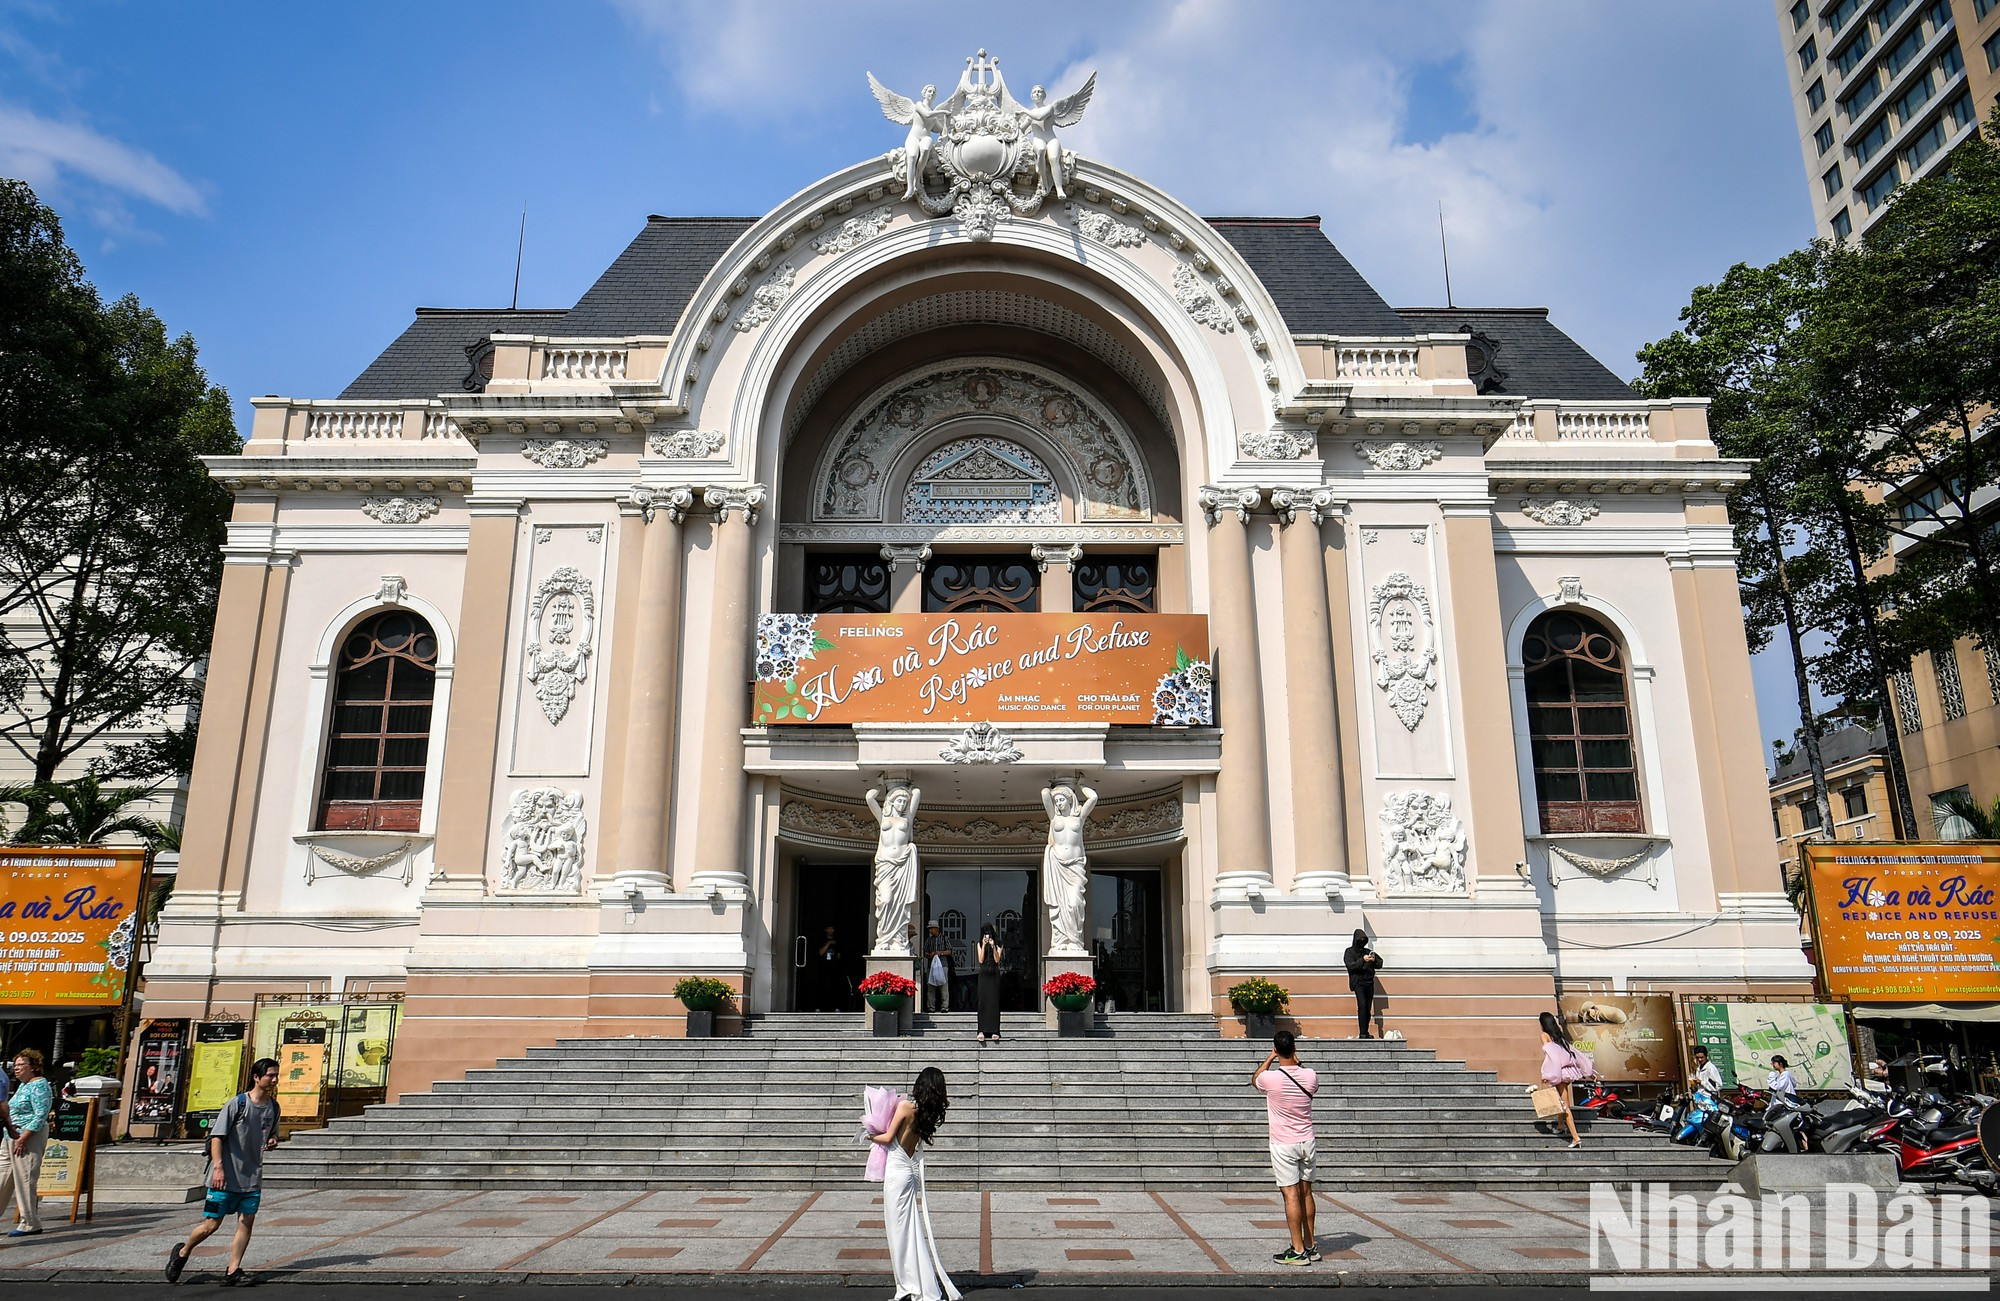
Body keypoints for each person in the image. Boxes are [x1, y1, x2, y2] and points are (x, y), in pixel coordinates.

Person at [166, 1057, 281, 1286]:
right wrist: (218, 1168)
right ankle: (183, 1251)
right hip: (224, 1176)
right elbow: (217, 1137)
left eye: (277, 1075)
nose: (275, 1079)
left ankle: (233, 1270)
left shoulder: (273, 1107)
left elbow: (272, 1133)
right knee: (211, 1224)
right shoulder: (237, 1104)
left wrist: (273, 1140)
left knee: (246, 1221)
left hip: (251, 1176)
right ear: (256, 1078)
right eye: (270, 1075)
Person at [866, 1067, 960, 1301]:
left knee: (898, 1232)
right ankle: (915, 1282)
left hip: (897, 1174)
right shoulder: (924, 1113)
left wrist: (868, 1135)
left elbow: (887, 1139)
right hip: (909, 1172)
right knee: (910, 1229)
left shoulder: (905, 1107)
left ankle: (908, 1285)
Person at [1250, 1031, 1319, 1267]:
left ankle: (1298, 1250)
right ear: (1295, 1048)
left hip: (1284, 1144)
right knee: (1306, 1193)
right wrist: (1295, 1060)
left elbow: (1254, 1079)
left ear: (1276, 1049)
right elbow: (1309, 1082)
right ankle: (1310, 1245)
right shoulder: (1310, 1075)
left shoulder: (1271, 1079)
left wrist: (1269, 1059)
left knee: (1290, 1195)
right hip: (1307, 1141)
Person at [6, 1049, 51, 1237]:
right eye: (14, 1065)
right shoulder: (22, 1085)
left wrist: (24, 1137)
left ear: (33, 1066)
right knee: (3, 1177)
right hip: (11, 1135)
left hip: (28, 1136)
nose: (16, 1069)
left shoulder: (39, 1085)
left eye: (20, 1065)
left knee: (25, 1178)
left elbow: (41, 1113)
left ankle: (30, 1222)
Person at [1538, 1011, 1588, 1150]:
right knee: (1561, 1098)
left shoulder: (1545, 1036)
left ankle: (1575, 1137)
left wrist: (1548, 1074)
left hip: (1558, 1071)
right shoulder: (1558, 1036)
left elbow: (1552, 1056)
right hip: (1567, 1072)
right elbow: (1568, 1052)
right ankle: (1561, 1125)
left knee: (1565, 1105)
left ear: (1542, 1024)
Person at [1341, 929, 1381, 1039]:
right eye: (1360, 940)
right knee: (1362, 1005)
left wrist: (1373, 960)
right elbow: (1351, 966)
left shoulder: (1367, 951)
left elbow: (1380, 963)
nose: (1362, 942)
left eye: (1364, 940)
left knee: (1367, 1008)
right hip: (1358, 983)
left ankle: (1365, 1031)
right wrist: (1362, 960)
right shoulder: (1349, 952)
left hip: (1369, 983)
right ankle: (1362, 1033)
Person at [975, 924, 1003, 1045]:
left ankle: (994, 1030)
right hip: (984, 974)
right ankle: (981, 1030)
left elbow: (997, 960)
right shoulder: (979, 943)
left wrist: (993, 947)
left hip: (994, 974)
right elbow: (980, 960)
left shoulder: (999, 943)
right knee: (983, 1001)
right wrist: (984, 944)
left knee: (994, 1001)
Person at [811, 925, 845, 1012]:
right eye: (829, 928)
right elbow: (821, 952)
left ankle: (836, 1007)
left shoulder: (837, 941)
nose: (831, 930)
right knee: (821, 987)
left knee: (835, 987)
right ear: (826, 930)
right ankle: (819, 1007)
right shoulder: (821, 940)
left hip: (834, 967)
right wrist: (829, 943)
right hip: (823, 967)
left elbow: (839, 955)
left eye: (832, 928)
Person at [923, 923, 954, 1014]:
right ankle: (931, 1007)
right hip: (931, 966)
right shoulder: (929, 940)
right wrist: (930, 955)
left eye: (931, 928)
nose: (930, 931)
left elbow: (949, 951)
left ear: (936, 929)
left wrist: (940, 953)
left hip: (943, 965)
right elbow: (925, 953)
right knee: (931, 987)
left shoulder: (944, 938)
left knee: (943, 986)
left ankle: (945, 1006)